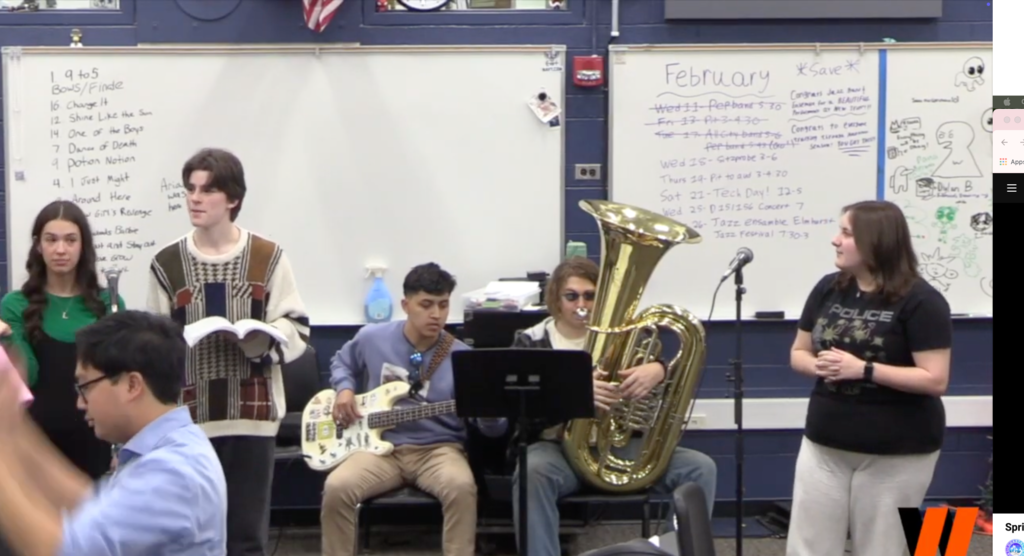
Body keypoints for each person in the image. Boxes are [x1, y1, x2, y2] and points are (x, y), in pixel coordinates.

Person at [147, 148, 311, 556]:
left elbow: (297, 328)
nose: (194, 199)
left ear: (233, 199)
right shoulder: (166, 263)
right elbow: (151, 342)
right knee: (191, 537)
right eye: (190, 189)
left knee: (245, 539)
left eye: (207, 190)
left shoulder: (267, 257)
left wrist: (260, 340)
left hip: (251, 417)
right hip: (190, 419)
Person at [511, 256, 718, 556]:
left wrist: (660, 369)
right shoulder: (532, 341)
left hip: (618, 448)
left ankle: (674, 553)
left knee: (701, 468)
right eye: (571, 296)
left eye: (590, 296)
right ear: (556, 299)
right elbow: (520, 412)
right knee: (532, 472)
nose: (581, 304)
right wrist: (573, 396)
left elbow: (658, 394)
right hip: (558, 449)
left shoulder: (629, 336)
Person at [785, 200, 953, 556]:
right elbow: (799, 353)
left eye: (846, 233)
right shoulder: (829, 288)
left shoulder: (923, 301)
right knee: (808, 545)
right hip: (824, 443)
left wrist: (864, 370)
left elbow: (935, 379)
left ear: (874, 242)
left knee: (884, 547)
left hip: (896, 451)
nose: (835, 240)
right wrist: (822, 367)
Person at [0, 310, 227, 556]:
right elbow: (87, 505)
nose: (80, 403)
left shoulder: (174, 472)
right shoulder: (173, 449)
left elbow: (61, 551)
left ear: (132, 385)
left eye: (85, 386)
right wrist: (15, 424)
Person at [322, 262, 507, 556]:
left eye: (443, 305)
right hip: (379, 450)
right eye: (426, 305)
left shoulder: (463, 357)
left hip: (439, 450)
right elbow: (342, 362)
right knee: (337, 488)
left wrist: (492, 414)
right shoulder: (372, 338)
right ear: (406, 305)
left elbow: (493, 429)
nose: (436, 314)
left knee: (462, 487)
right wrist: (344, 389)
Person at [0, 200, 124, 481]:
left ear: (83, 246)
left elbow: (118, 380)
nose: (60, 250)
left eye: (70, 240)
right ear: (38, 245)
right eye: (51, 240)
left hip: (96, 446)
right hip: (35, 448)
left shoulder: (109, 303)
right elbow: (27, 377)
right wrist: (7, 340)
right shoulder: (15, 304)